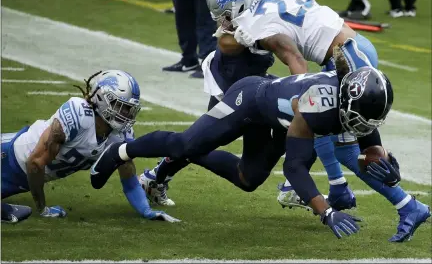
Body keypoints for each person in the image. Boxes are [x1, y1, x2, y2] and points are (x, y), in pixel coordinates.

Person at [205, 0, 431, 242]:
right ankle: (339, 188)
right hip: (349, 49)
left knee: (345, 144)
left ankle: (408, 206)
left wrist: (297, 99)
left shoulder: (257, 22)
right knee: (323, 128)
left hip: (348, 62)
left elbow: (295, 61)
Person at [89, 62, 424, 241]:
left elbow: (370, 144)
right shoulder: (317, 107)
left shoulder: (354, 102)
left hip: (276, 122)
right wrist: (326, 212)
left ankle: (181, 160)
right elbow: (294, 169)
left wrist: (386, 165)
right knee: (186, 144)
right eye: (361, 118)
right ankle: (123, 150)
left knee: (247, 179)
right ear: (347, 102)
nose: (364, 125)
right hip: (249, 101)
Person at [140, 0, 322, 210]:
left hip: (257, 76)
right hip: (229, 75)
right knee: (201, 142)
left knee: (250, 171)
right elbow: (224, 41)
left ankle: (155, 175)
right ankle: (152, 172)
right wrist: (252, 33)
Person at [1, 70, 178, 224]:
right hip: (7, 158)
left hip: (22, 178)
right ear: (101, 98)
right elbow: (35, 163)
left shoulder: (120, 134)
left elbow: (129, 177)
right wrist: (42, 208)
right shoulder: (78, 114)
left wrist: (146, 211)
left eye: (129, 109)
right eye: (120, 106)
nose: (126, 114)